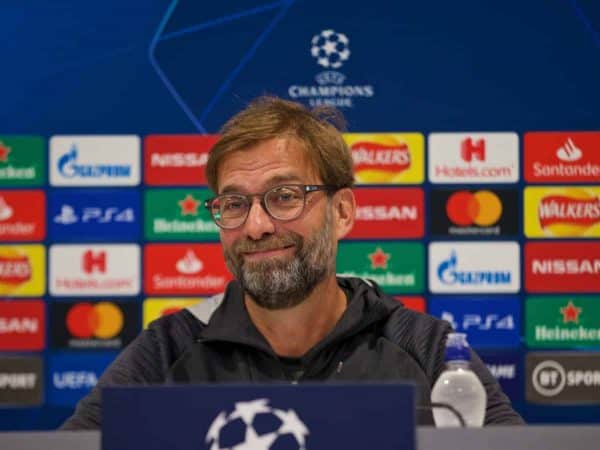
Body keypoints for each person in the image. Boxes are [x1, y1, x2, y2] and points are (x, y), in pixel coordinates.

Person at [61, 96, 524, 429]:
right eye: (234, 203)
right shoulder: (166, 350)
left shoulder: (427, 349)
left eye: (284, 197)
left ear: (342, 212)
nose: (256, 226)